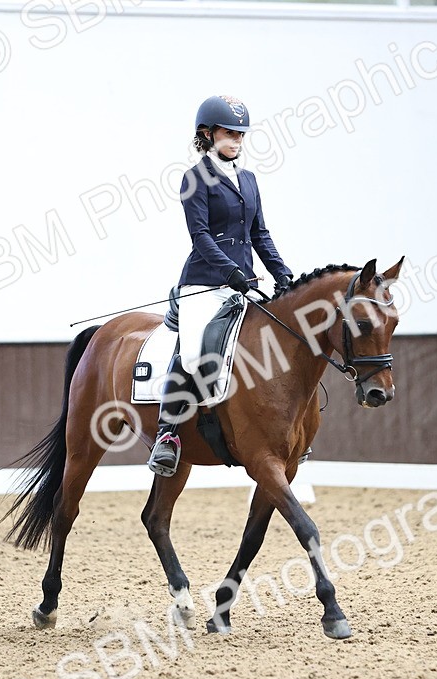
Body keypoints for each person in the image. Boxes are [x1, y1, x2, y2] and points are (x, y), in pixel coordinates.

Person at [147, 94, 295, 477]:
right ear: (207, 133)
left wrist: (284, 274)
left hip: (241, 282)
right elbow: (200, 235)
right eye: (230, 134)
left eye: (241, 135)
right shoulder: (195, 178)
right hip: (204, 281)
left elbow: (260, 234)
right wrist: (230, 271)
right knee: (196, 352)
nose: (237, 141)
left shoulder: (248, 179)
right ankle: (168, 435)